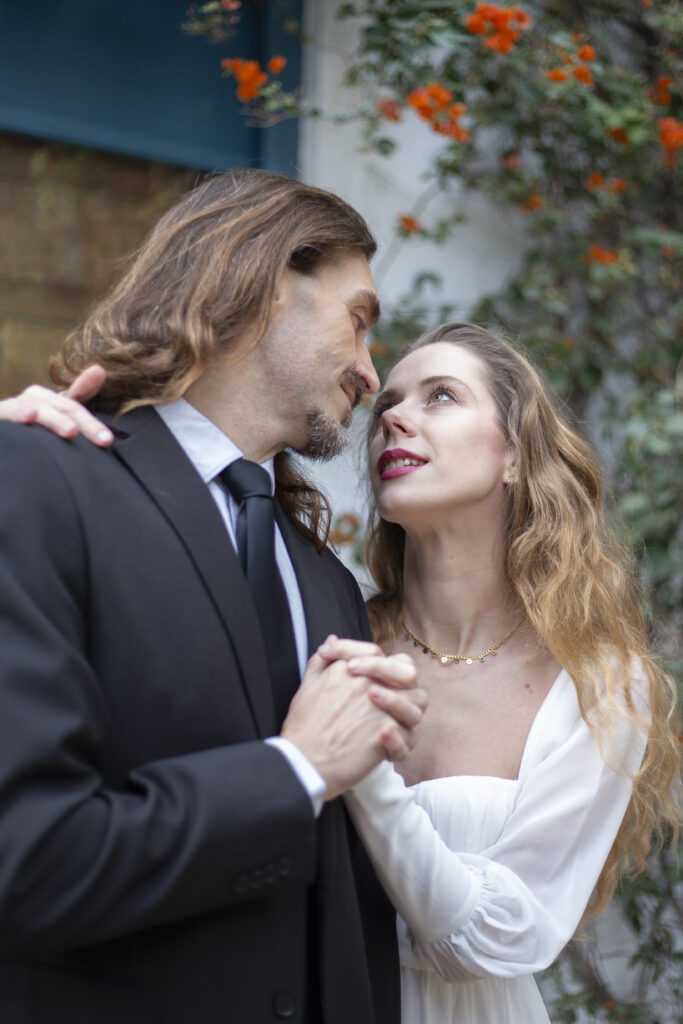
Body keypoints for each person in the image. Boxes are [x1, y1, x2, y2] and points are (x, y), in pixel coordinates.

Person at [4, 300, 679, 1021]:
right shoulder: (320, 621)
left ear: (515, 453)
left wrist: (356, 769)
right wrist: (36, 454)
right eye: (385, 402)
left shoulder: (599, 683)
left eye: (440, 396)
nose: (391, 415)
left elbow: (496, 938)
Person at [0, 169, 429, 1024]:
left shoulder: (329, 585)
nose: (369, 374)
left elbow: (343, 918)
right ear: (267, 281)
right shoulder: (39, 479)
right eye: (359, 321)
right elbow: (26, 862)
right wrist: (294, 769)